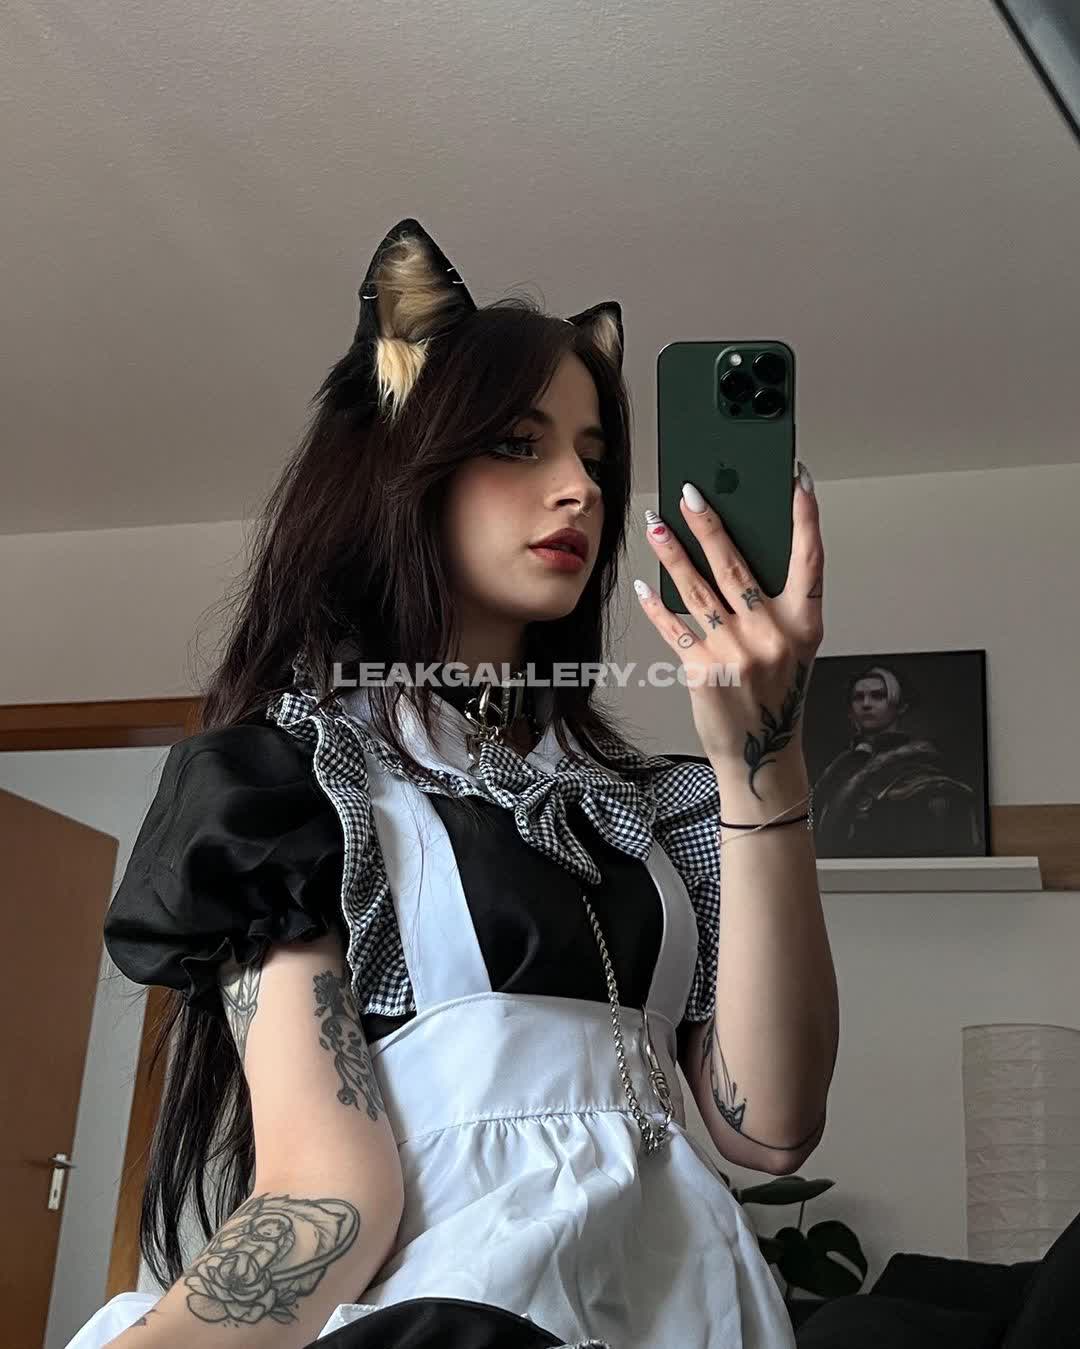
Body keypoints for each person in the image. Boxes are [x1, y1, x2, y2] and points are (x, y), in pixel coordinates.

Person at [67, 218, 837, 1349]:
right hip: (462, 1314)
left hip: (700, 1313)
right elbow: (328, 1193)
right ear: (402, 458)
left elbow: (767, 1127)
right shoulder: (296, 786)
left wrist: (760, 753)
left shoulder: (657, 807)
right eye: (519, 444)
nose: (579, 488)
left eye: (594, 457)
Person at [812, 665, 981, 857]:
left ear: (901, 706)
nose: (866, 704)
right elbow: (811, 816)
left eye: (878, 696)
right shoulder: (839, 767)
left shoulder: (921, 763)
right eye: (858, 697)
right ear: (850, 710)